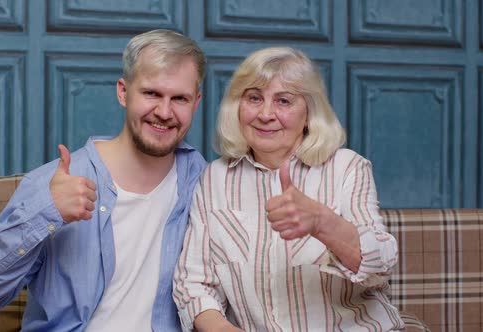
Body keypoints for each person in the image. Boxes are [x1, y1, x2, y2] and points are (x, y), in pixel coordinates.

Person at [0, 29, 207, 331]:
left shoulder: (204, 183)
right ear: (123, 92)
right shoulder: (56, 181)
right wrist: (44, 211)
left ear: (196, 102)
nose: (164, 112)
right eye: (151, 93)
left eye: (179, 98)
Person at [173, 47, 405, 331]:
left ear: (309, 113)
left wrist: (322, 222)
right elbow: (194, 283)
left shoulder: (347, 167)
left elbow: (381, 264)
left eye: (283, 101)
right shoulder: (214, 178)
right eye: (254, 98)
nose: (266, 114)